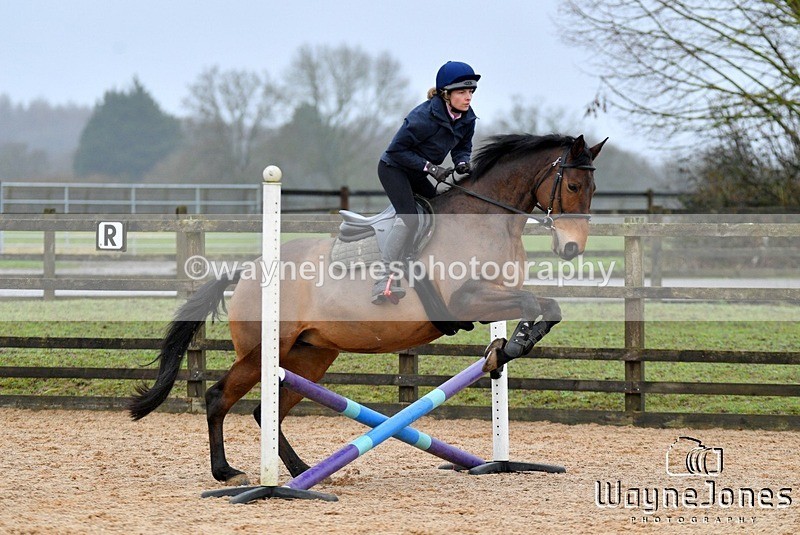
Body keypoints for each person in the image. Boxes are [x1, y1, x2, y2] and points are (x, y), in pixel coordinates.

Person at [372, 61, 480, 305]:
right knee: (409, 218)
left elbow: (463, 146)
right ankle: (383, 278)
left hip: (417, 171)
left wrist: (463, 161)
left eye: (471, 92)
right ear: (446, 94)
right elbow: (396, 151)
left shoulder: (468, 118)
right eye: (462, 92)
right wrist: (431, 168)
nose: (468, 97)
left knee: (438, 213)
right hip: (394, 169)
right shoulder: (422, 117)